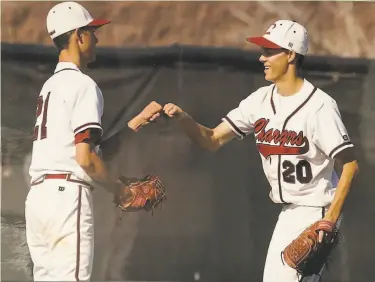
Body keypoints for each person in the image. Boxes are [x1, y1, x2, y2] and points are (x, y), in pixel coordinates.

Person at [153, 20, 359, 282]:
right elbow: (213, 139)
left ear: (291, 54)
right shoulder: (260, 101)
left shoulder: (319, 106)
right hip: (288, 212)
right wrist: (183, 119)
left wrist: (330, 219)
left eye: (270, 51)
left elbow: (350, 165)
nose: (262, 58)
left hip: (316, 209)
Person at [25, 2, 161, 281]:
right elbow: (85, 160)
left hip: (39, 200)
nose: (97, 38)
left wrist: (137, 122)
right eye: (92, 31)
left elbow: (89, 151)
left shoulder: (50, 85)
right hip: (66, 199)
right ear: (78, 35)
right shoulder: (83, 85)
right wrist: (122, 192)